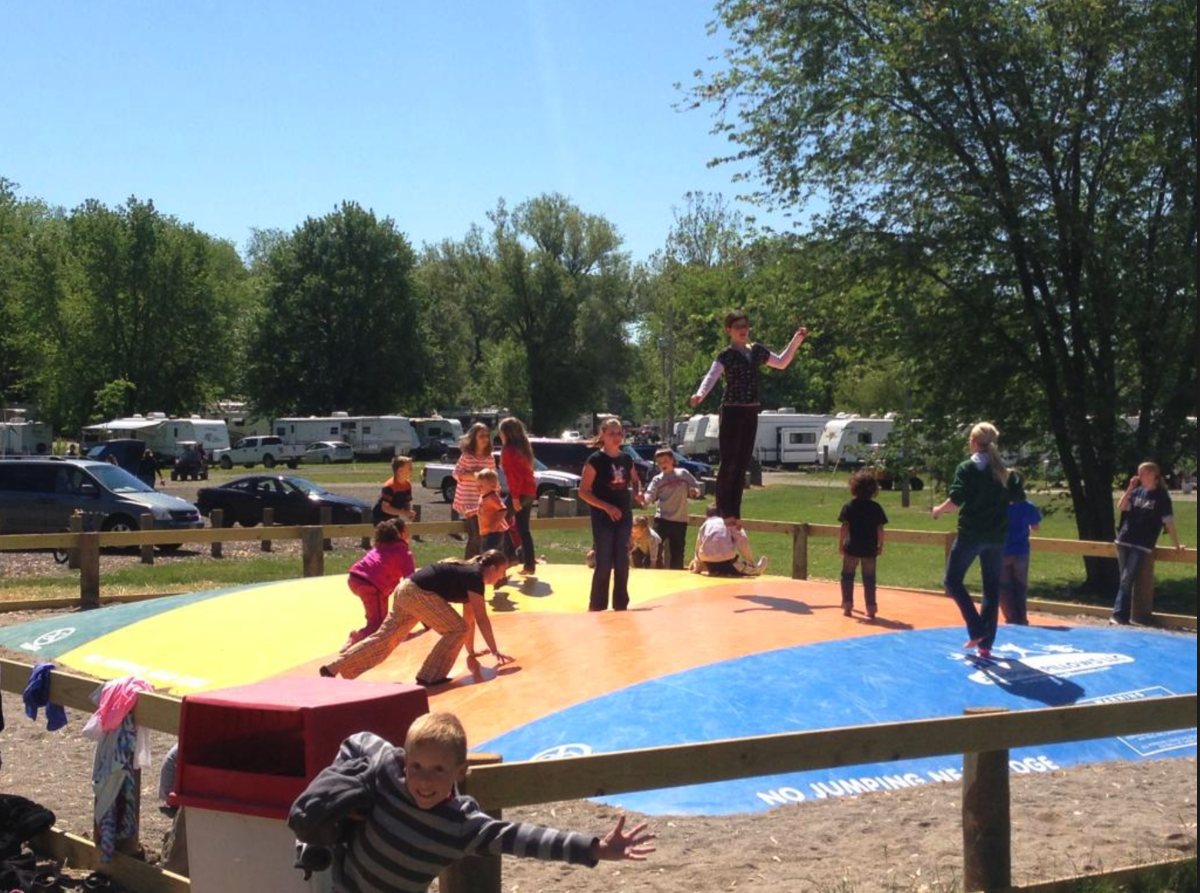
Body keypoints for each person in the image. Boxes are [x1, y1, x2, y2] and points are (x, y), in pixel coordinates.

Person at [288, 711, 655, 893]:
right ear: (405, 758)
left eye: (437, 769)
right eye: (416, 766)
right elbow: (356, 740)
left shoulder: (461, 825)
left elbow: (521, 838)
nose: (424, 780)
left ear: (459, 772)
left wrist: (594, 848)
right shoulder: (388, 768)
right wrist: (343, 786)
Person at [320, 551, 512, 687]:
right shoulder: (474, 577)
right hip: (417, 593)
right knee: (456, 629)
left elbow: (469, 619)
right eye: (502, 572)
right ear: (493, 568)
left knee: (385, 639)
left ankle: (334, 668)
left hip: (406, 590)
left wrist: (471, 652)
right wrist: (495, 650)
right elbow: (481, 619)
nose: (502, 577)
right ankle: (429, 676)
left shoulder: (470, 573)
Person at [691, 310, 807, 523]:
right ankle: (722, 509)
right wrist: (700, 394)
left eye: (745, 326)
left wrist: (797, 339)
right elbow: (711, 376)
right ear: (729, 330)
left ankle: (735, 511)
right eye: (738, 327)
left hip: (750, 410)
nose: (743, 330)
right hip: (732, 409)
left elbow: (781, 362)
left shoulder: (756, 351)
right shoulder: (725, 355)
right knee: (729, 462)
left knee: (743, 461)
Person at [932, 422, 1024, 659]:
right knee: (991, 589)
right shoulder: (1005, 472)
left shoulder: (968, 468)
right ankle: (986, 645)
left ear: (974, 442)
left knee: (952, 581)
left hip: (972, 535)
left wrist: (938, 510)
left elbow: (956, 500)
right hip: (997, 537)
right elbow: (1016, 499)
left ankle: (976, 628)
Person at [1110, 462, 1184, 625]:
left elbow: (1168, 522)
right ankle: (1121, 615)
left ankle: (1118, 615)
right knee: (1124, 578)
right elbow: (1121, 506)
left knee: (1127, 578)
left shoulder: (1162, 496)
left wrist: (1176, 545)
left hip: (1142, 542)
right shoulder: (1137, 491)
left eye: (1142, 473)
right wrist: (1129, 488)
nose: (1139, 476)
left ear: (1152, 474)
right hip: (1124, 539)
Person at [579, 418, 641, 611]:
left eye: (619, 433)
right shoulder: (595, 460)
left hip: (623, 516)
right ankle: (597, 605)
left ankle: (621, 604)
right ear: (603, 435)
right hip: (603, 517)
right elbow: (583, 491)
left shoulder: (626, 458)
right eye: (612, 433)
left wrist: (638, 493)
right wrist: (606, 507)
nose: (616, 437)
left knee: (622, 561)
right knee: (604, 561)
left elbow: (635, 479)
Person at [342, 519, 415, 651]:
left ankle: (379, 634)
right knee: (377, 626)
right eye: (407, 530)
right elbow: (412, 583)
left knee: (382, 618)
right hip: (371, 584)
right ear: (400, 534)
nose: (409, 533)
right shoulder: (404, 553)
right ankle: (356, 638)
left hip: (355, 578)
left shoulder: (381, 547)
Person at [837, 469, 888, 619]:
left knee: (847, 576)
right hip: (869, 548)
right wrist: (881, 545)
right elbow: (880, 529)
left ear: (854, 487)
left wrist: (840, 544)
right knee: (869, 578)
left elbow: (844, 527)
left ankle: (847, 606)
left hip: (852, 547)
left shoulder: (849, 506)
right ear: (873, 489)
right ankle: (871, 608)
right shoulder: (876, 508)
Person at [642, 448, 702, 570]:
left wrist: (694, 492)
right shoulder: (657, 479)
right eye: (659, 462)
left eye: (665, 460)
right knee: (654, 546)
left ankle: (676, 577)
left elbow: (696, 487)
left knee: (678, 553)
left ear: (673, 460)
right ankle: (651, 571)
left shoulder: (683, 473)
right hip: (662, 519)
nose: (662, 464)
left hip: (680, 520)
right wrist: (645, 500)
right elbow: (650, 494)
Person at [499, 416, 538, 575]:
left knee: (498, 520)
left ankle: (511, 555)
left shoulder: (509, 451)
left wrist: (514, 498)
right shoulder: (524, 448)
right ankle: (529, 565)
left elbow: (514, 477)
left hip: (520, 492)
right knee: (524, 529)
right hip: (529, 492)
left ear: (506, 433)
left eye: (501, 431)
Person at [999, 474, 1041, 625]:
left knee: (1004, 586)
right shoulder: (1029, 506)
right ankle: (1021, 617)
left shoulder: (1000, 507)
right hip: (1022, 550)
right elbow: (1035, 527)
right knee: (1020, 585)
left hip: (1002, 551)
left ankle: (1010, 617)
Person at [453, 423, 495, 558]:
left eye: (487, 436)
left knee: (484, 535)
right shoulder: (467, 456)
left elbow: (493, 478)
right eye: (481, 436)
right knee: (476, 534)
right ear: (474, 438)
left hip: (482, 501)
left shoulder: (490, 457)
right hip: (467, 501)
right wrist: (475, 475)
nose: (485, 439)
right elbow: (456, 474)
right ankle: (468, 564)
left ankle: (478, 563)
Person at [691, 504, 767, 576]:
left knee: (712, 559)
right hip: (727, 560)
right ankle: (755, 570)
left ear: (706, 516)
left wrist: (697, 564)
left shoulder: (705, 525)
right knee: (743, 568)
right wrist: (750, 560)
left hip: (708, 561)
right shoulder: (729, 522)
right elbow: (742, 541)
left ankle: (711, 569)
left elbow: (698, 546)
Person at [372, 456, 415, 524]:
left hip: (394, 518)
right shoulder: (390, 486)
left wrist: (408, 512)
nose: (412, 470)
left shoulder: (407, 485)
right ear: (400, 471)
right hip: (380, 520)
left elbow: (406, 502)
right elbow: (385, 508)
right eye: (410, 468)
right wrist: (404, 513)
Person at [475, 468, 509, 553]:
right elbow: (483, 508)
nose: (478, 488)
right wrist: (473, 511)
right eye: (477, 485)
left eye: (481, 486)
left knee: (491, 554)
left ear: (493, 485)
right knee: (485, 553)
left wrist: (495, 524)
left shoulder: (492, 497)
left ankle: (497, 565)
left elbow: (503, 510)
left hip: (494, 532)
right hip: (485, 531)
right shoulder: (483, 496)